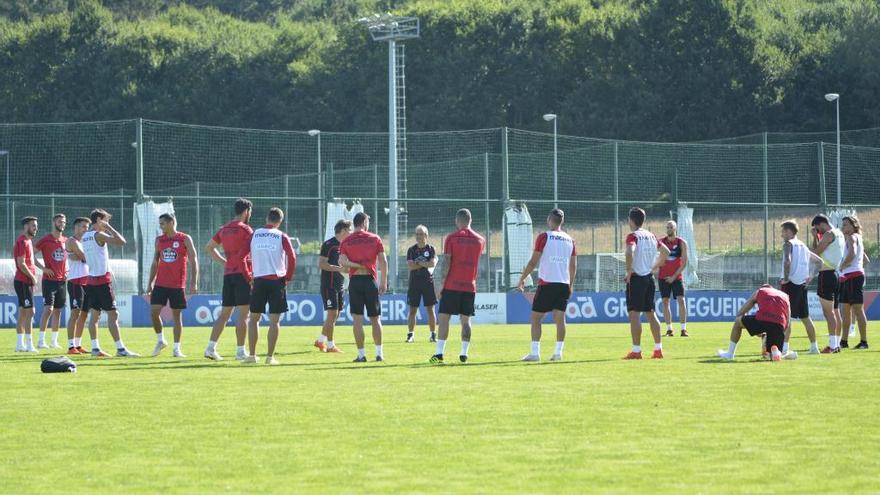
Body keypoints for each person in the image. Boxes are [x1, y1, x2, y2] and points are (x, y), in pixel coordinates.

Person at [516, 208, 576, 362]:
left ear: (549, 219)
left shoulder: (544, 237)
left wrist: (522, 277)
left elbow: (533, 261)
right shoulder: (570, 240)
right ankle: (558, 353)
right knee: (560, 319)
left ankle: (535, 353)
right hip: (563, 284)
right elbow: (573, 265)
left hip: (548, 283)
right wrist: (570, 284)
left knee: (535, 318)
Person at [430, 208, 486, 364]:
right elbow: (477, 264)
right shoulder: (480, 240)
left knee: (444, 319)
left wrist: (441, 284)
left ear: (457, 220)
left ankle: (439, 353)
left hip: (452, 285)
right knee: (466, 320)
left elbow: (447, 262)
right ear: (470, 220)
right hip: (469, 285)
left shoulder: (452, 238)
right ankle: (464, 353)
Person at [82, 209, 138, 358]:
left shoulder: (85, 236)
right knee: (113, 315)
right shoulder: (99, 235)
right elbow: (122, 241)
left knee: (94, 316)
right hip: (102, 281)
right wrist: (109, 228)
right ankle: (120, 349)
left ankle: (95, 349)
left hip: (91, 281)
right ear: (99, 220)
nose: (108, 223)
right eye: (106, 220)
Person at [244, 207, 296, 365]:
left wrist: (248, 276)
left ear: (267, 218)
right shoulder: (281, 235)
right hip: (276, 281)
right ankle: (269, 357)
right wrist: (288, 277)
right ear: (280, 221)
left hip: (258, 280)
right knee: (274, 321)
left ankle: (252, 356)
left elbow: (241, 257)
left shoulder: (254, 234)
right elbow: (292, 257)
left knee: (253, 319)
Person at [204, 198, 254, 361]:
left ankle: (210, 348)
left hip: (229, 274)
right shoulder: (246, 230)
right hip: (242, 274)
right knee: (243, 314)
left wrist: (224, 262)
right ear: (246, 211)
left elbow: (209, 248)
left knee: (224, 314)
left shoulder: (224, 229)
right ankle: (240, 352)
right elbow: (252, 252)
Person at [146, 213, 199, 358]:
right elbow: (155, 262)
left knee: (177, 317)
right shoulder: (159, 240)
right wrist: (150, 282)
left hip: (177, 285)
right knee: (154, 313)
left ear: (171, 223)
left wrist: (194, 282)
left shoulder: (184, 238)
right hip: (160, 284)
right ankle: (161, 340)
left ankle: (176, 349)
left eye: (162, 223)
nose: (160, 226)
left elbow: (194, 261)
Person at [339, 212, 387, 363]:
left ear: (354, 224)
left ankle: (361, 355)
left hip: (355, 281)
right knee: (375, 318)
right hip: (370, 280)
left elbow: (342, 262)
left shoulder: (347, 241)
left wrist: (356, 265)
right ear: (365, 222)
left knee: (357, 320)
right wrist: (383, 281)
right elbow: (383, 261)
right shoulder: (374, 238)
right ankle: (379, 354)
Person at [623, 207, 670, 360]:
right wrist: (655, 266)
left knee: (634, 315)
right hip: (649, 278)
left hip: (637, 279)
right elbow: (666, 252)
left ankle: (636, 351)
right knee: (651, 313)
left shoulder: (633, 236)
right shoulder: (651, 236)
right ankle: (658, 349)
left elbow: (629, 251)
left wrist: (629, 271)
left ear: (631, 220)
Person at [717, 285, 797, 361]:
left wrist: (756, 331)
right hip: (779, 324)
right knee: (771, 354)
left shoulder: (760, 291)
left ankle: (730, 354)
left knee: (738, 322)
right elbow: (788, 322)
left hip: (763, 319)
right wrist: (781, 334)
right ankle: (780, 353)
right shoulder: (785, 296)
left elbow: (740, 313)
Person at [779, 220, 820, 355]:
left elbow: (787, 261)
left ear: (790, 231)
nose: (782, 234)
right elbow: (819, 262)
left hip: (790, 284)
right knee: (805, 317)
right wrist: (811, 277)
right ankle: (814, 347)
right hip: (802, 285)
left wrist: (785, 279)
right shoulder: (803, 245)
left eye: (784, 231)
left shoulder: (788, 244)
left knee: (786, 317)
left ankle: (784, 348)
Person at [314, 219, 352, 353]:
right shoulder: (329, 244)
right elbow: (322, 264)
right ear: (343, 231)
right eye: (349, 230)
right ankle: (330, 345)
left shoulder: (346, 245)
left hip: (340, 284)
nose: (351, 232)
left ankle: (320, 340)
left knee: (335, 315)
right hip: (328, 285)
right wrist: (339, 269)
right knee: (332, 314)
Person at [810, 214, 845, 353]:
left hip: (827, 274)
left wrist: (813, 242)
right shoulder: (839, 233)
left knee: (828, 312)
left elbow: (816, 253)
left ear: (822, 224)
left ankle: (832, 345)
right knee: (835, 311)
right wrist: (816, 238)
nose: (818, 232)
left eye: (818, 229)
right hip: (835, 274)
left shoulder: (829, 234)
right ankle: (836, 344)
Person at [34, 213, 67, 349]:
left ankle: (54, 341)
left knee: (58, 311)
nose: (62, 224)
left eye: (64, 222)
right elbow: (31, 255)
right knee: (49, 309)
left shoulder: (66, 240)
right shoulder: (45, 240)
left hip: (62, 281)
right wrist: (43, 268)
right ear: (54, 222)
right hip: (49, 281)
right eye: (59, 222)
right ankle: (41, 341)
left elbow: (68, 258)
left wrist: (67, 270)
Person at [838, 215, 870, 350]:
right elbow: (866, 260)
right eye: (843, 224)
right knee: (845, 311)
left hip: (852, 278)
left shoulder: (852, 237)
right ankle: (843, 341)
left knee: (857, 310)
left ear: (853, 225)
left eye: (845, 224)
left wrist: (842, 266)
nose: (843, 226)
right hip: (849, 278)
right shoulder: (857, 238)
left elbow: (852, 255)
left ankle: (864, 342)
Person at [405, 224, 438, 343]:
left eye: (421, 234)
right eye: (417, 234)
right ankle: (410, 335)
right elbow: (410, 266)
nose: (418, 236)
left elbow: (432, 264)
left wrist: (418, 262)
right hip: (414, 282)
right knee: (413, 310)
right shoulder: (411, 250)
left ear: (426, 235)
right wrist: (424, 263)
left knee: (430, 309)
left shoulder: (431, 249)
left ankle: (433, 335)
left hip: (428, 282)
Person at [657, 220, 689, 337]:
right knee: (665, 302)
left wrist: (674, 277)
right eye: (667, 227)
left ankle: (683, 329)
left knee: (681, 300)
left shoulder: (682, 243)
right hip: (663, 277)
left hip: (676, 277)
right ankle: (669, 329)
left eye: (671, 227)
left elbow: (684, 263)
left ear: (675, 229)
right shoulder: (661, 242)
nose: (669, 229)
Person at [65, 217, 91, 355]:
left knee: (84, 314)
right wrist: (81, 256)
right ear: (75, 227)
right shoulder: (71, 241)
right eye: (83, 226)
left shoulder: (86, 242)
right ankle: (70, 347)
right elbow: (86, 257)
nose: (85, 229)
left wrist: (80, 256)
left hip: (87, 281)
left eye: (87, 227)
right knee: (75, 313)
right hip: (75, 281)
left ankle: (78, 344)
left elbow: (82, 257)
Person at [13, 216, 39, 353]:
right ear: (26, 227)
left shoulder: (28, 241)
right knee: (31, 311)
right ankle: (29, 345)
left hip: (24, 281)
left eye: (36, 225)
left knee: (23, 312)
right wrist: (32, 276)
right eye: (33, 225)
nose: (36, 227)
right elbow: (21, 263)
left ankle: (19, 345)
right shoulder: (22, 241)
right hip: (23, 281)